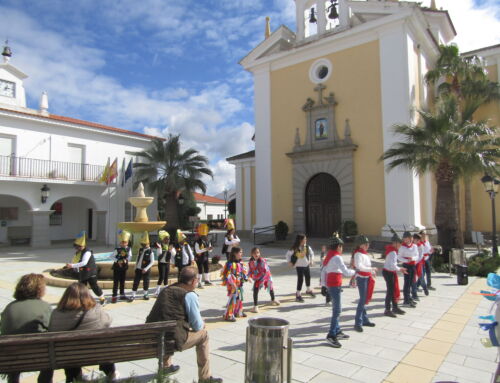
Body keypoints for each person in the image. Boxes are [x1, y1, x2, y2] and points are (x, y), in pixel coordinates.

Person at [146, 266, 223, 383]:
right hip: (173, 341)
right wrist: (202, 323)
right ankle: (205, 378)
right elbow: (197, 325)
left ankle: (166, 366)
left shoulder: (166, 290)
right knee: (203, 335)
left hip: (152, 338)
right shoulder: (189, 295)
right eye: (197, 280)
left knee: (166, 327)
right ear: (193, 281)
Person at [48, 283, 118, 382]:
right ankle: (111, 373)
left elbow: (51, 331)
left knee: (68, 349)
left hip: (67, 356)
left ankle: (73, 378)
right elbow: (108, 321)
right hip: (95, 353)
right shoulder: (95, 310)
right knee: (104, 344)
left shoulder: (56, 313)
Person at [0, 274, 52, 383]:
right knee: (49, 352)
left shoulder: (9, 307)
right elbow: (51, 329)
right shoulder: (44, 307)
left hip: (11, 357)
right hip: (38, 357)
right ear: (39, 289)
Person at [320, 234, 355, 348]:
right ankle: (331, 335)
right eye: (341, 246)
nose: (342, 248)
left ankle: (337, 330)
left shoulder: (330, 256)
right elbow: (345, 272)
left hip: (332, 284)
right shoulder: (337, 257)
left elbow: (324, 271)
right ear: (338, 246)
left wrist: (324, 285)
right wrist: (355, 271)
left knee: (337, 308)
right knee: (337, 310)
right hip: (335, 284)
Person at [65, 231, 106, 305]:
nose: (76, 248)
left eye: (77, 246)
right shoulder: (78, 252)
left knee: (94, 286)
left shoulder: (87, 252)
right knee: (82, 287)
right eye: (76, 247)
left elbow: (84, 263)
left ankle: (102, 298)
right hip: (83, 272)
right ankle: (83, 300)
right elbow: (75, 260)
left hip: (91, 272)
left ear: (81, 246)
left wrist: (72, 265)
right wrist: (70, 265)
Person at [353, 235, 377, 332]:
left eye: (368, 243)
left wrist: (371, 271)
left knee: (364, 299)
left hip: (367, 277)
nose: (367, 245)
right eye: (365, 244)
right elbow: (359, 266)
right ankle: (357, 322)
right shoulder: (358, 254)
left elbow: (367, 266)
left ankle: (365, 319)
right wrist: (370, 269)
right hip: (361, 278)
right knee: (362, 300)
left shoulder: (365, 254)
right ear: (360, 245)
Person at [383, 233, 407, 317]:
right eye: (400, 243)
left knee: (392, 290)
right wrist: (400, 269)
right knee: (390, 291)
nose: (400, 245)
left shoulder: (392, 250)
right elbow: (393, 265)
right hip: (389, 272)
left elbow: (392, 264)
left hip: (389, 272)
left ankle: (395, 307)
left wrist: (398, 268)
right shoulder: (393, 252)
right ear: (395, 243)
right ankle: (387, 309)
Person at [248, 247, 280, 313]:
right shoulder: (251, 261)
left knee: (270, 288)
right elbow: (250, 270)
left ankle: (273, 299)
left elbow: (264, 271)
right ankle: (255, 306)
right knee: (255, 290)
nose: (256, 254)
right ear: (251, 254)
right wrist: (249, 276)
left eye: (258, 252)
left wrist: (258, 278)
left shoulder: (262, 260)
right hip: (258, 278)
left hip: (265, 276)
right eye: (254, 253)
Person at [286, 234, 315, 302]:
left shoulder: (307, 247)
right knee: (300, 279)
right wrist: (289, 262)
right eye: (304, 239)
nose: (306, 240)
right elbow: (287, 255)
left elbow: (312, 253)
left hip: (306, 265)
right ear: (300, 240)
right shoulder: (295, 248)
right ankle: (298, 294)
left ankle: (308, 290)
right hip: (299, 266)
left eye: (306, 239)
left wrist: (312, 260)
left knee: (308, 277)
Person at [221, 247, 248, 321]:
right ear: (235, 253)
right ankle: (228, 315)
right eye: (240, 252)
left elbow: (243, 272)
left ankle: (238, 312)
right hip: (233, 284)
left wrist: (245, 277)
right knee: (232, 298)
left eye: (241, 252)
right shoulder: (230, 264)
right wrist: (232, 283)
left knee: (238, 298)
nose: (241, 254)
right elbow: (228, 275)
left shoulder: (240, 263)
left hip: (239, 283)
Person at [128, 231, 155, 301]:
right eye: (142, 244)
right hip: (138, 269)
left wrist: (146, 268)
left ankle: (145, 294)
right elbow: (137, 258)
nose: (143, 245)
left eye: (144, 244)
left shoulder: (150, 251)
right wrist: (135, 266)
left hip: (146, 270)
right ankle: (133, 295)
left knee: (146, 282)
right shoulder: (140, 250)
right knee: (136, 282)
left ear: (148, 243)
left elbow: (152, 262)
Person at [398, 231, 419, 307]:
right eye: (404, 238)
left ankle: (409, 298)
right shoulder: (402, 247)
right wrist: (407, 260)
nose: (405, 240)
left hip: (413, 265)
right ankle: (406, 300)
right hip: (406, 266)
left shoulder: (414, 246)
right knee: (407, 283)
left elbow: (417, 255)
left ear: (410, 238)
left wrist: (412, 258)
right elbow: (399, 257)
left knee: (411, 283)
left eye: (406, 238)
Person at [111, 230, 132, 303]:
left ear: (127, 242)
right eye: (122, 242)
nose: (124, 244)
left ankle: (122, 294)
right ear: (120, 242)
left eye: (125, 242)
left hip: (124, 267)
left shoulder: (128, 249)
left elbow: (130, 256)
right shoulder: (117, 249)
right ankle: (114, 296)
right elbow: (111, 257)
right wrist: (117, 261)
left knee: (122, 281)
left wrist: (126, 260)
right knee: (116, 282)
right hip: (117, 267)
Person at [155, 230, 176, 296]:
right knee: (162, 276)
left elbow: (174, 254)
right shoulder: (160, 245)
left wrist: (170, 250)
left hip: (167, 263)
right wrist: (161, 248)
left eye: (168, 239)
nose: (168, 240)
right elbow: (158, 254)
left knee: (166, 276)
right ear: (163, 239)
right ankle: (157, 291)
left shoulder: (170, 246)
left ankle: (166, 290)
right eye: (166, 239)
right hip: (161, 263)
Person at [194, 224, 213, 288]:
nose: (205, 237)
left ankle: (207, 280)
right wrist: (206, 249)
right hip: (199, 258)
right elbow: (197, 251)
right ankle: (199, 283)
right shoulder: (197, 242)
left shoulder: (208, 241)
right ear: (201, 236)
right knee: (200, 270)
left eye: (205, 235)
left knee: (206, 268)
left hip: (206, 257)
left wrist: (210, 249)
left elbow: (210, 250)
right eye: (203, 236)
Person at [413, 233, 429, 298]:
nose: (417, 241)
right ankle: (414, 291)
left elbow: (420, 256)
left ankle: (425, 288)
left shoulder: (420, 246)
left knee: (421, 277)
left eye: (418, 240)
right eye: (415, 240)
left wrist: (415, 262)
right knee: (412, 278)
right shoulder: (412, 245)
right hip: (412, 263)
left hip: (419, 263)